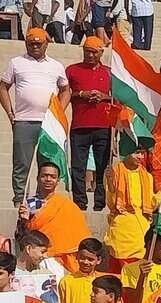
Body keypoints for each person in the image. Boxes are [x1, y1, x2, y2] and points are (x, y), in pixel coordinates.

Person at [0, 28, 69, 207]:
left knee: (47, 163)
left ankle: (41, 200)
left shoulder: (56, 65)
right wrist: (9, 112)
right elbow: (2, 88)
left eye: (39, 43)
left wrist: (58, 111)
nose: (35, 46)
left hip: (48, 123)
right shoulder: (16, 62)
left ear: (46, 43)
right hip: (24, 119)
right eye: (31, 43)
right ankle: (19, 199)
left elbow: (66, 90)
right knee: (22, 162)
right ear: (26, 44)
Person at [17, 163, 92, 274]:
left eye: (52, 177)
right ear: (38, 178)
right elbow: (23, 235)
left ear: (57, 181)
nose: (48, 179)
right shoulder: (29, 204)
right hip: (37, 256)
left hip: (60, 260)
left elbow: (78, 234)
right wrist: (24, 221)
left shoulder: (67, 205)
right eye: (44, 175)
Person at [66, 36, 111, 211]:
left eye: (94, 52)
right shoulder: (72, 70)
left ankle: (100, 203)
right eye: (87, 52)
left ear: (101, 52)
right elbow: (64, 93)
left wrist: (103, 96)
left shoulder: (109, 72)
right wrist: (81, 94)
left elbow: (119, 97)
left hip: (103, 125)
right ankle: (79, 203)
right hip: (80, 125)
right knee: (78, 166)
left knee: (102, 167)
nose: (90, 55)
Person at [102, 144, 156, 270]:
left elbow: (152, 203)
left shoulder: (147, 176)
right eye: (137, 152)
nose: (140, 156)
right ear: (126, 151)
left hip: (142, 230)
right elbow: (112, 203)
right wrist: (110, 183)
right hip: (122, 228)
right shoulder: (114, 172)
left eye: (143, 153)